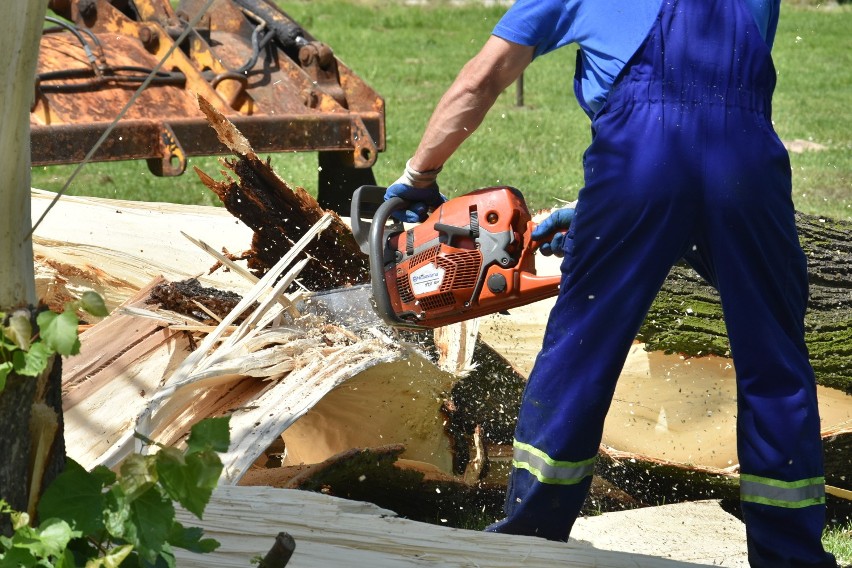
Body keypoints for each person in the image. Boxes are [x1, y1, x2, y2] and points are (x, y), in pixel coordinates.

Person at [384, 0, 839, 566]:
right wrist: (606, 210)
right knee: (775, 357)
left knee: (582, 346)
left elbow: (485, 77)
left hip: (636, 166)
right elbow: (708, 116)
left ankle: (532, 533)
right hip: (746, 165)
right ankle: (791, 553)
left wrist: (417, 176)